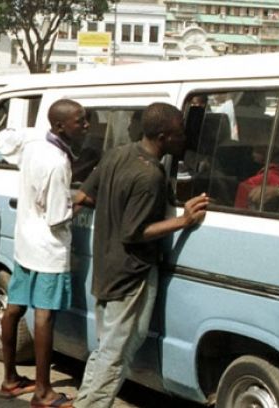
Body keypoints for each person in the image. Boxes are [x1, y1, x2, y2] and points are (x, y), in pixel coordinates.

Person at [72, 103, 208, 408]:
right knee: (115, 354)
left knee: (106, 348)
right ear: (163, 136)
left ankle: (83, 401)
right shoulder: (149, 176)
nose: (184, 139)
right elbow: (134, 232)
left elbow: (86, 196)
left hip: (106, 265)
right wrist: (183, 220)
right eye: (179, 133)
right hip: (130, 273)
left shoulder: (118, 153)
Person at [0, 99, 88, 408]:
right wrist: (82, 199)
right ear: (61, 126)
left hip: (25, 243)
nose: (86, 126)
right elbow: (58, 217)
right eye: (81, 121)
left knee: (15, 307)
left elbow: (6, 141)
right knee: (44, 316)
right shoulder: (57, 162)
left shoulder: (34, 144)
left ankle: (10, 378)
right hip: (49, 249)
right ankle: (43, 392)